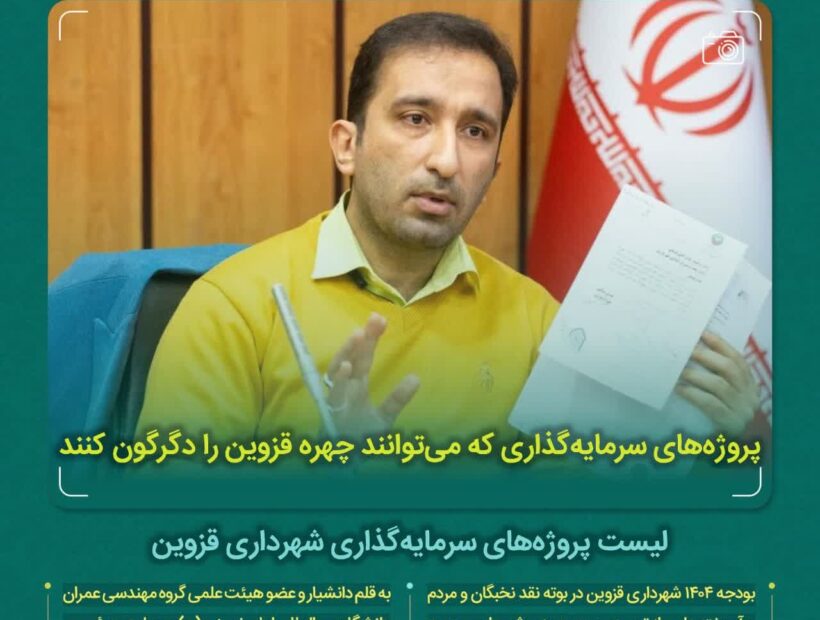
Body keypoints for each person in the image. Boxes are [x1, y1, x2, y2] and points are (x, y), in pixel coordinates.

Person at [136, 12, 759, 443]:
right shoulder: (232, 309)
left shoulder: (538, 322)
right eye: (415, 119)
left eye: (475, 131)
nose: (446, 160)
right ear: (348, 145)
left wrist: (740, 438)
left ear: (494, 168)